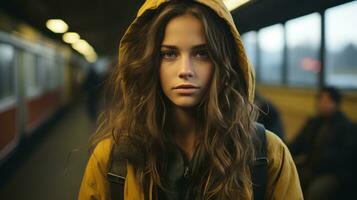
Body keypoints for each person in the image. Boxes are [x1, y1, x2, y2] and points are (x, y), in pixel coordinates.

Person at [78, 0, 302, 199]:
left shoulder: (267, 154)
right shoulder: (112, 160)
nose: (185, 70)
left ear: (224, 64)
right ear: (149, 64)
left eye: (202, 53)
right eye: (169, 54)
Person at [289, 86, 354, 199]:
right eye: (320, 100)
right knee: (287, 179)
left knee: (316, 192)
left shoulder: (346, 127)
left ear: (336, 104)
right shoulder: (314, 122)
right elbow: (297, 143)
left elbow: (345, 157)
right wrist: (283, 153)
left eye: (326, 101)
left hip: (332, 173)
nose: (321, 104)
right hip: (310, 167)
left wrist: (317, 159)